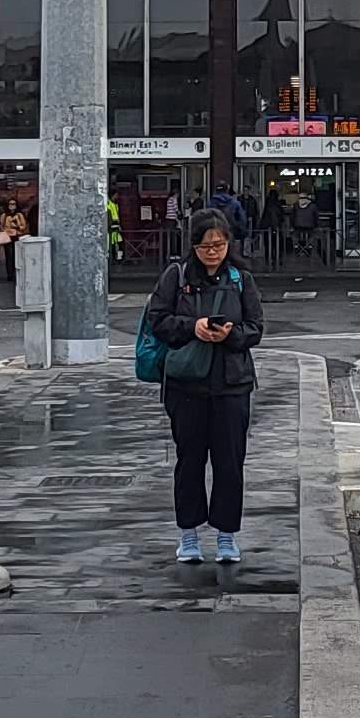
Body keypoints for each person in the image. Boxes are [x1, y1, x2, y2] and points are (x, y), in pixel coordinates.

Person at [141, 213, 266, 562]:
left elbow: (256, 327)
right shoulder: (177, 276)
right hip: (186, 385)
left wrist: (230, 335)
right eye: (205, 245)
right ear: (193, 245)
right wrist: (192, 327)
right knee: (189, 459)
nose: (213, 252)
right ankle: (188, 534)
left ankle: (226, 535)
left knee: (230, 461)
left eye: (219, 244)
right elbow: (157, 321)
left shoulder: (241, 279)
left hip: (232, 383)